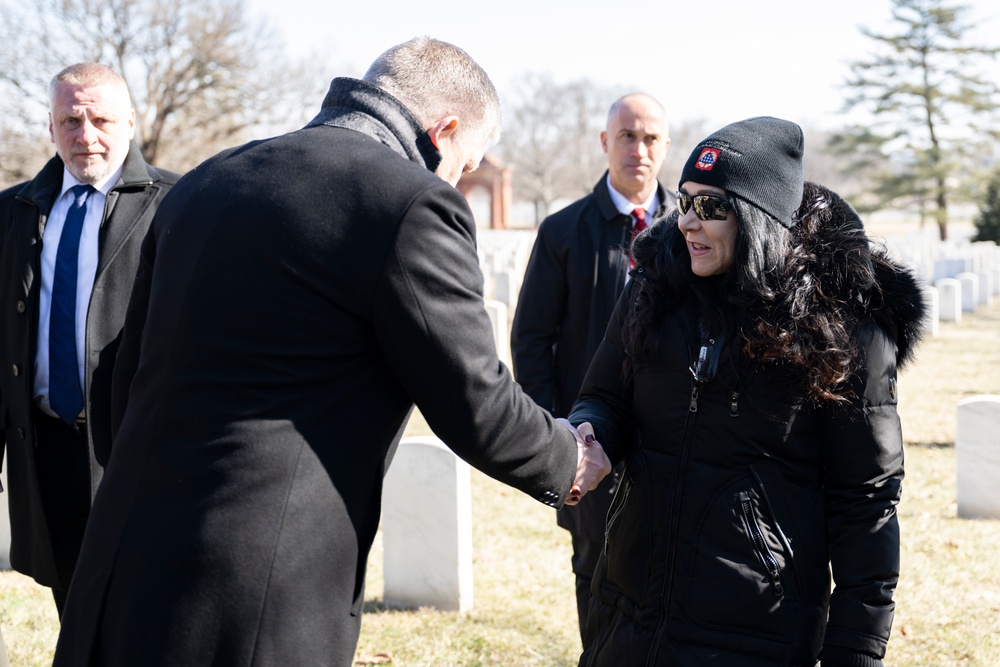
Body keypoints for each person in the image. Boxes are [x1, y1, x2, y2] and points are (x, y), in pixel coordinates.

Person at [51, 37, 611, 667]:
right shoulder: (410, 202)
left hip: (122, 551)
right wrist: (570, 461)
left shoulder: (208, 179)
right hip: (256, 583)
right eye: (469, 161)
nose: (461, 177)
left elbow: (121, 374)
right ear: (445, 128)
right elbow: (471, 394)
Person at [569, 117, 927, 666]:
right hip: (630, 614)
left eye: (712, 208)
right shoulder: (656, 288)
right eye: (685, 202)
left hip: (755, 634)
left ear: (759, 218)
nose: (688, 222)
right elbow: (607, 396)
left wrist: (855, 651)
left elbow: (866, 506)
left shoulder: (840, 328)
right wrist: (592, 433)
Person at [0, 62, 178, 617]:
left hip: (141, 454)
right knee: (76, 618)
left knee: (149, 620)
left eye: (99, 118)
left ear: (130, 120)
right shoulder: (10, 213)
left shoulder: (181, 204)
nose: (86, 136)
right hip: (45, 453)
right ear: (50, 128)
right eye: (70, 121)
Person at [511, 92, 671, 640]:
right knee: (597, 572)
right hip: (588, 439)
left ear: (665, 146)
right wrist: (557, 437)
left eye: (650, 138)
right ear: (606, 143)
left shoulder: (692, 231)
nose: (638, 149)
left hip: (672, 440)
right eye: (627, 136)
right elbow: (531, 341)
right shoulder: (563, 232)